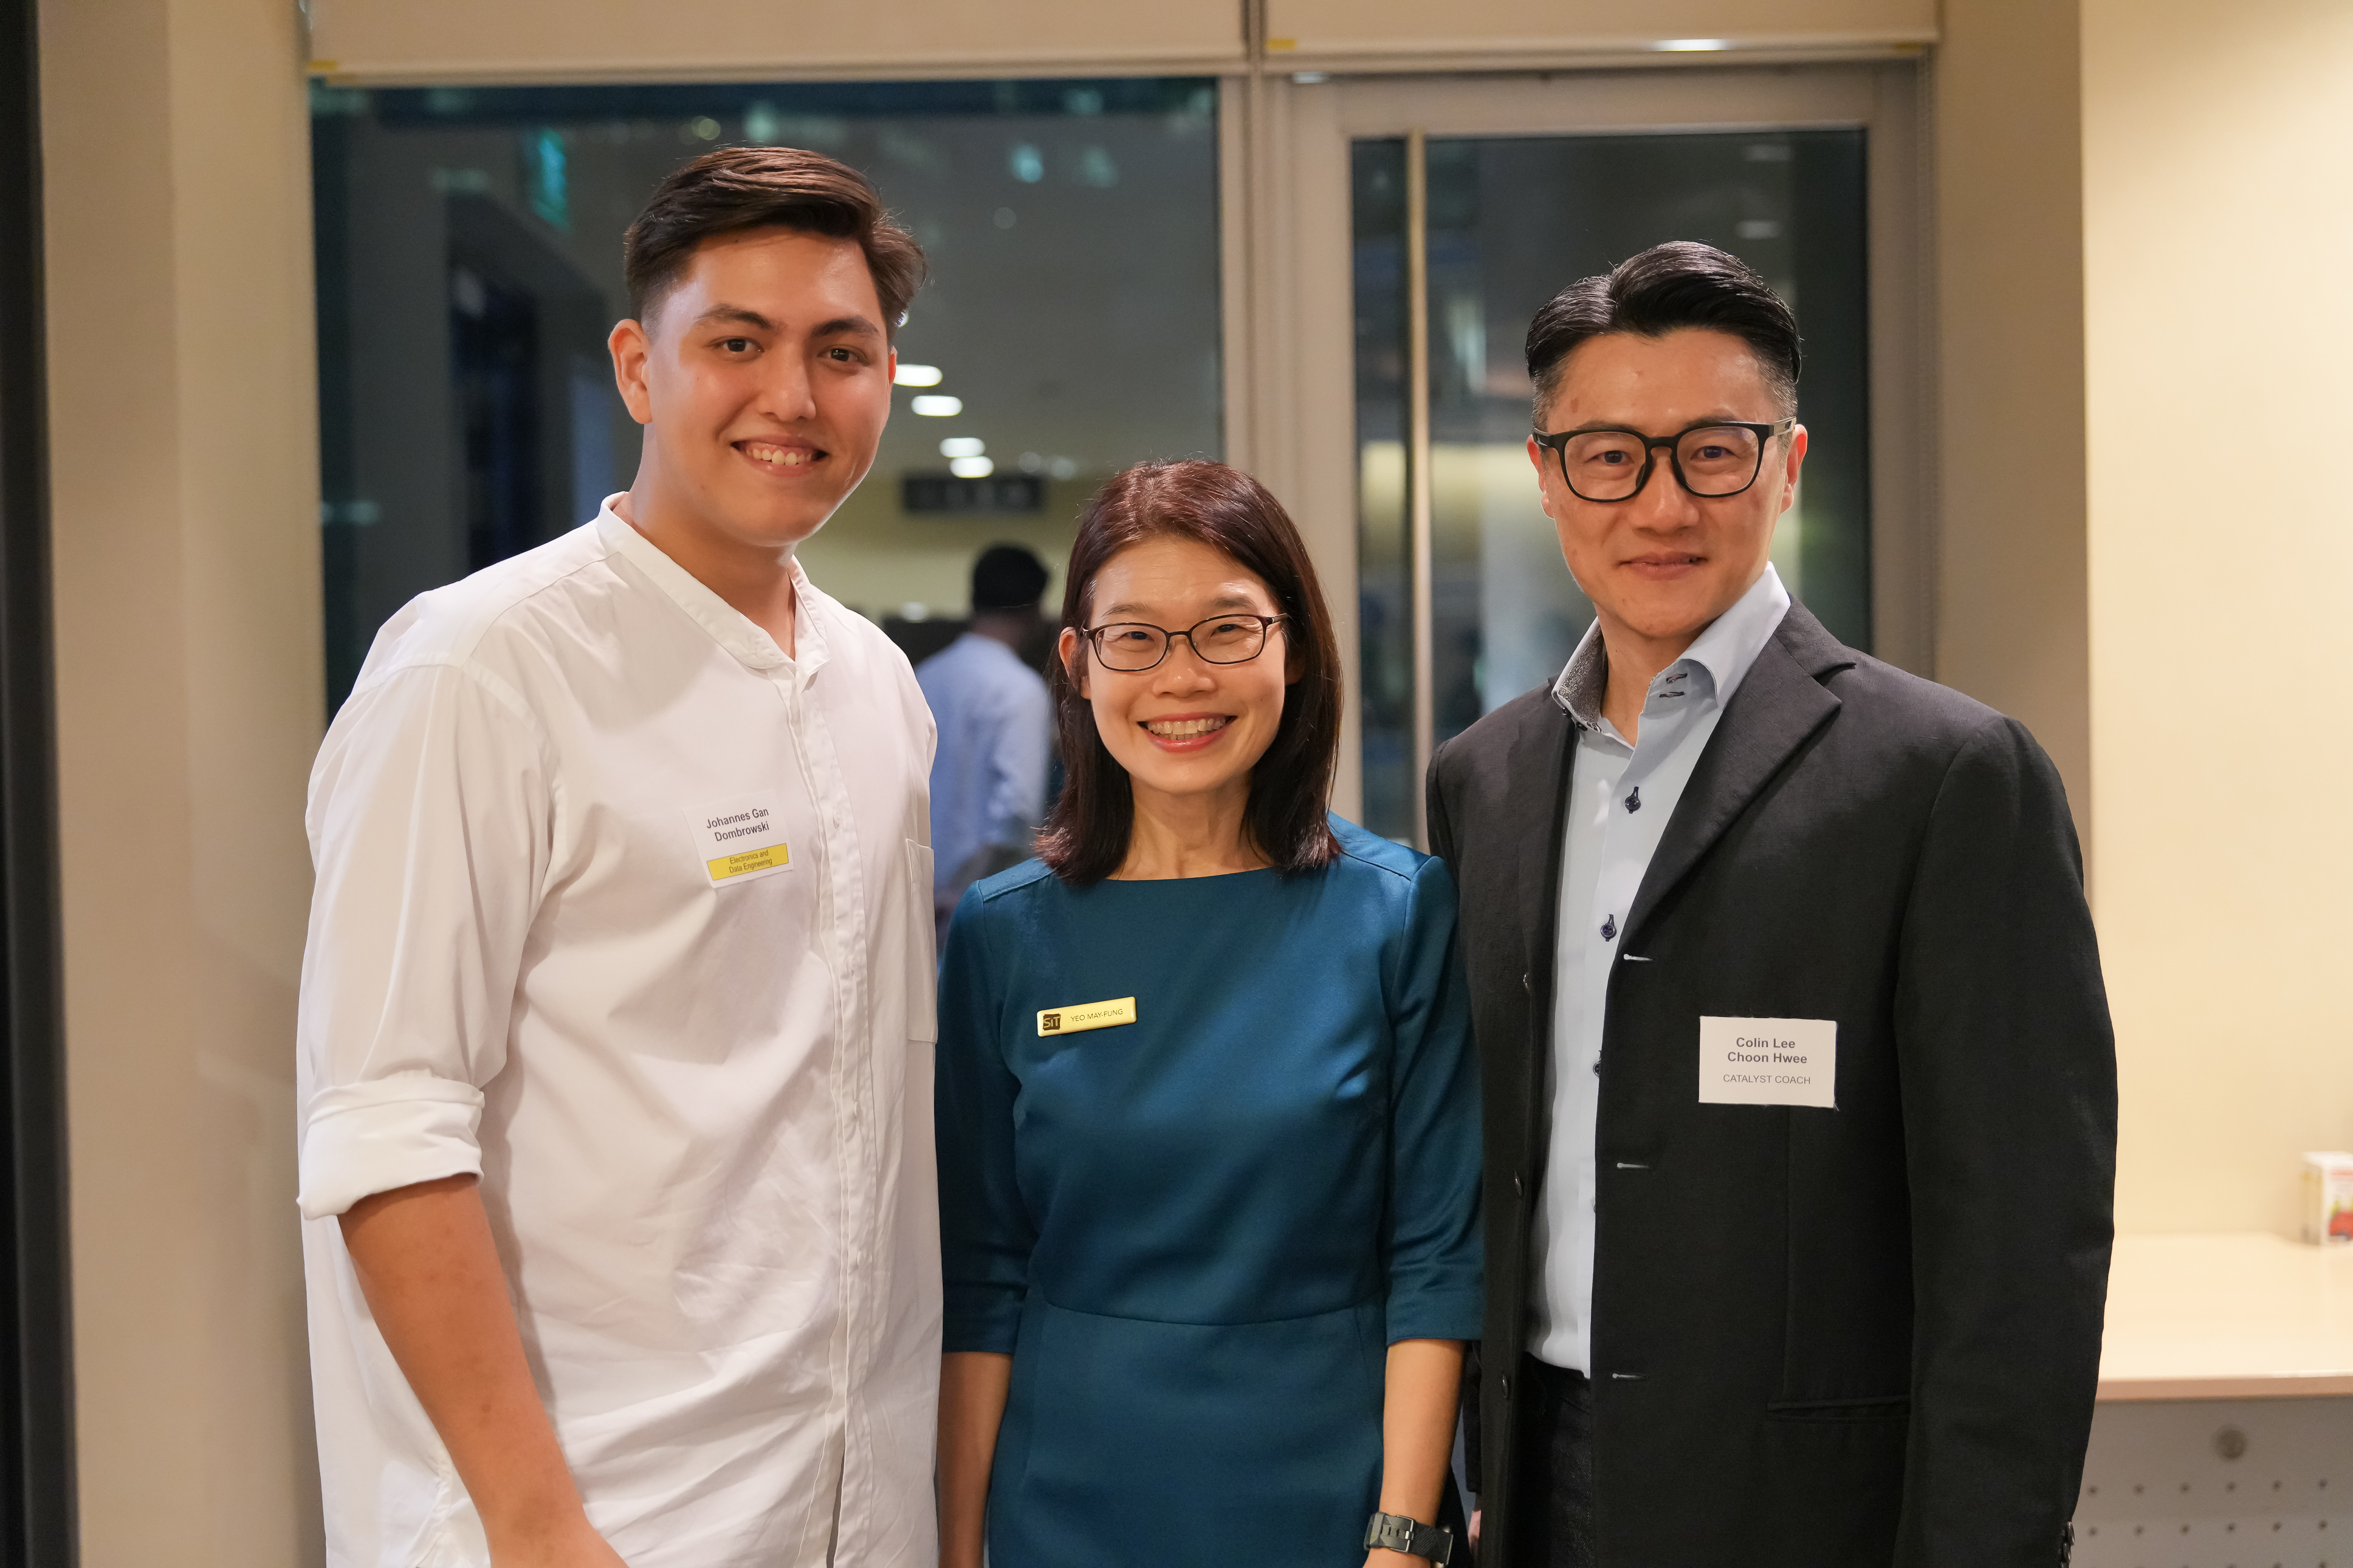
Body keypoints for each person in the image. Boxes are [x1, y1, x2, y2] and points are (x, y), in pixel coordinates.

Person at [295, 148, 942, 1568]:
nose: (795, 396)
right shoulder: (477, 670)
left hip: (850, 1500)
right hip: (600, 1510)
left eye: (843, 351)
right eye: (738, 343)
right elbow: (385, 1126)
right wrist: (537, 1522)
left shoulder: (878, 685)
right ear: (639, 367)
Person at [1428, 242, 2115, 1567]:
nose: (1661, 503)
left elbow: (2022, 1245)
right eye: (1610, 454)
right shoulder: (1487, 780)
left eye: (1713, 451)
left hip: (1817, 1506)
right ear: (1548, 478)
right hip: (1532, 1485)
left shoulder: (1945, 775)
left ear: (1786, 464)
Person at [933, 460, 1483, 1568]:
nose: (1180, 679)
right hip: (1068, 1505)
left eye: (1226, 631)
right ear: (1077, 666)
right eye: (1135, 637)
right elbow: (983, 1274)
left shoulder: (1397, 908)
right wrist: (956, 1547)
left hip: (1333, 1501)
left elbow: (1434, 1256)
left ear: (1294, 648)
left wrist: (1401, 1535)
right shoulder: (1003, 931)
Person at [916, 543, 1054, 941]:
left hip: (920, 896)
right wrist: (961, 891)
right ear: (1036, 609)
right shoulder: (1021, 690)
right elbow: (1016, 810)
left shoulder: (925, 675)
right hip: (982, 900)